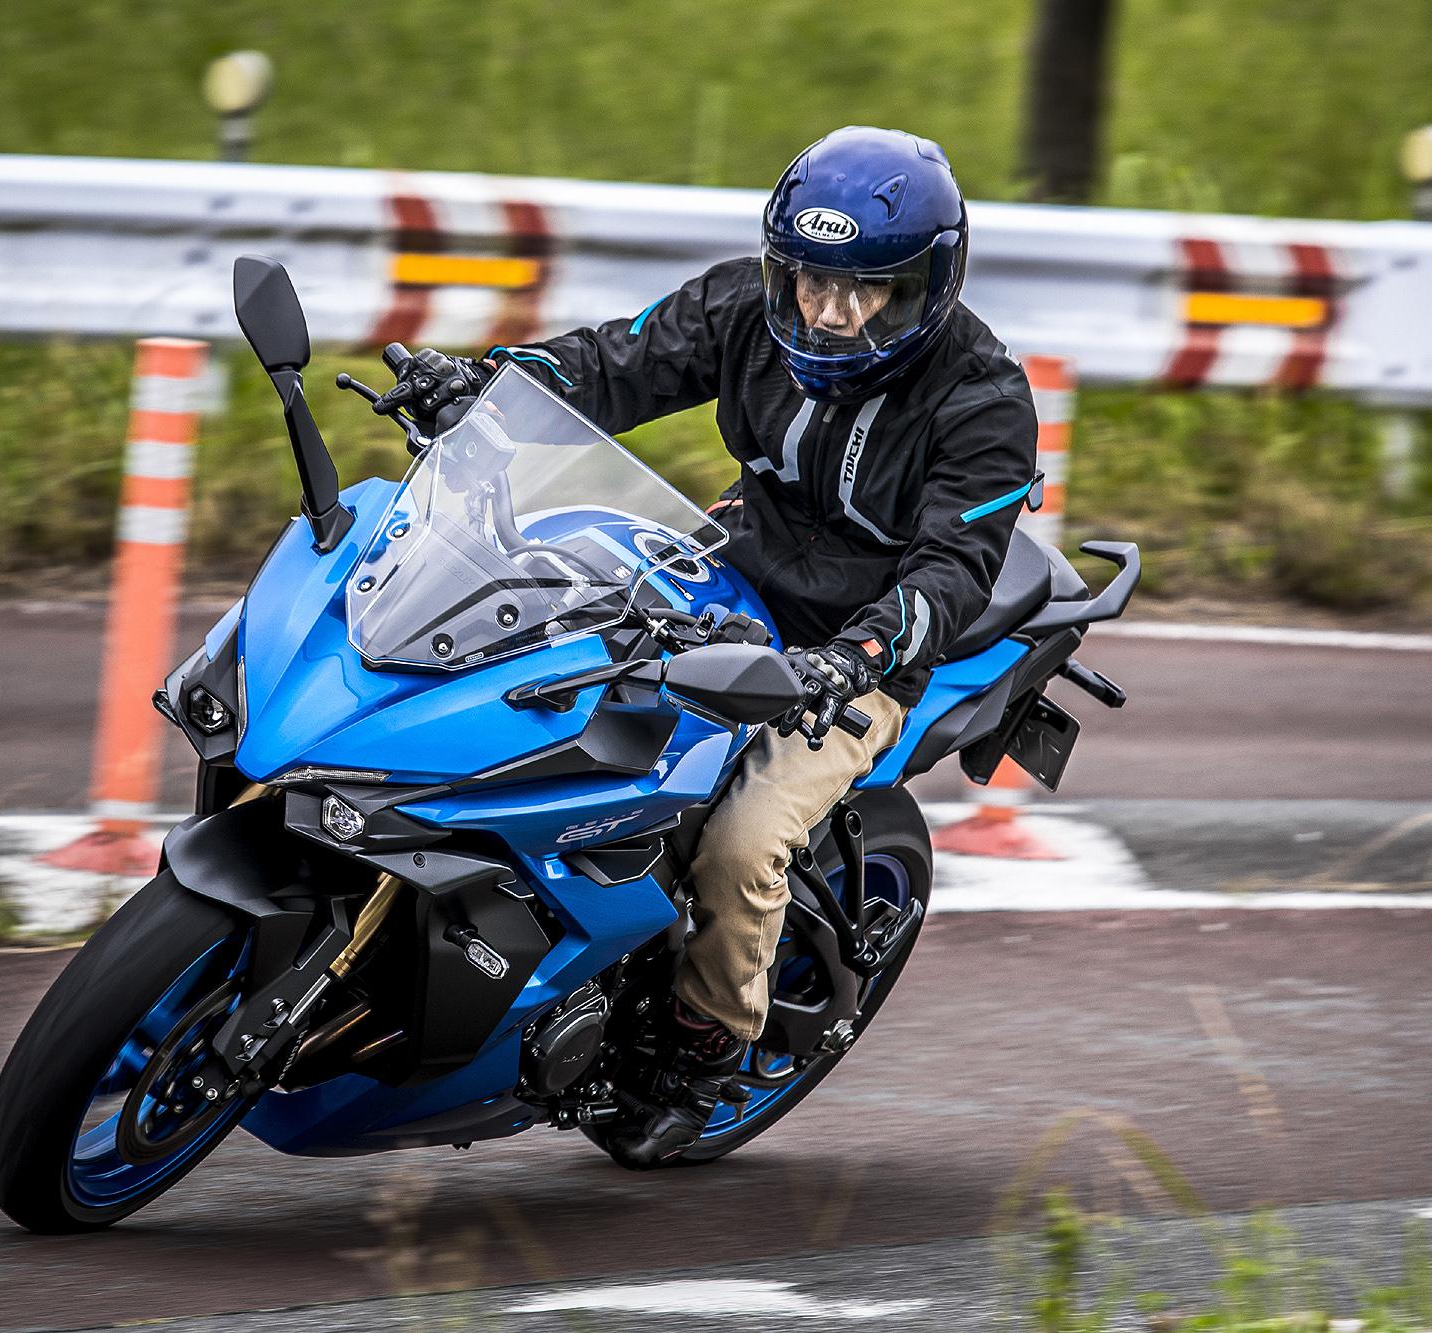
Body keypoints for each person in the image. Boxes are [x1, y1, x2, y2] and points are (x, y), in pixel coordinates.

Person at [384, 125, 1038, 1166]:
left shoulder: (983, 399)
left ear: (926, 285)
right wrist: (481, 390)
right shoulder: (743, 305)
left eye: (864, 290)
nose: (827, 312)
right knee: (539, 686)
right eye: (809, 280)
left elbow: (952, 570)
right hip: (725, 572)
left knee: (741, 844)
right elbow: (612, 366)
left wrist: (860, 658)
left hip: (854, 651)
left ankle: (705, 1044)